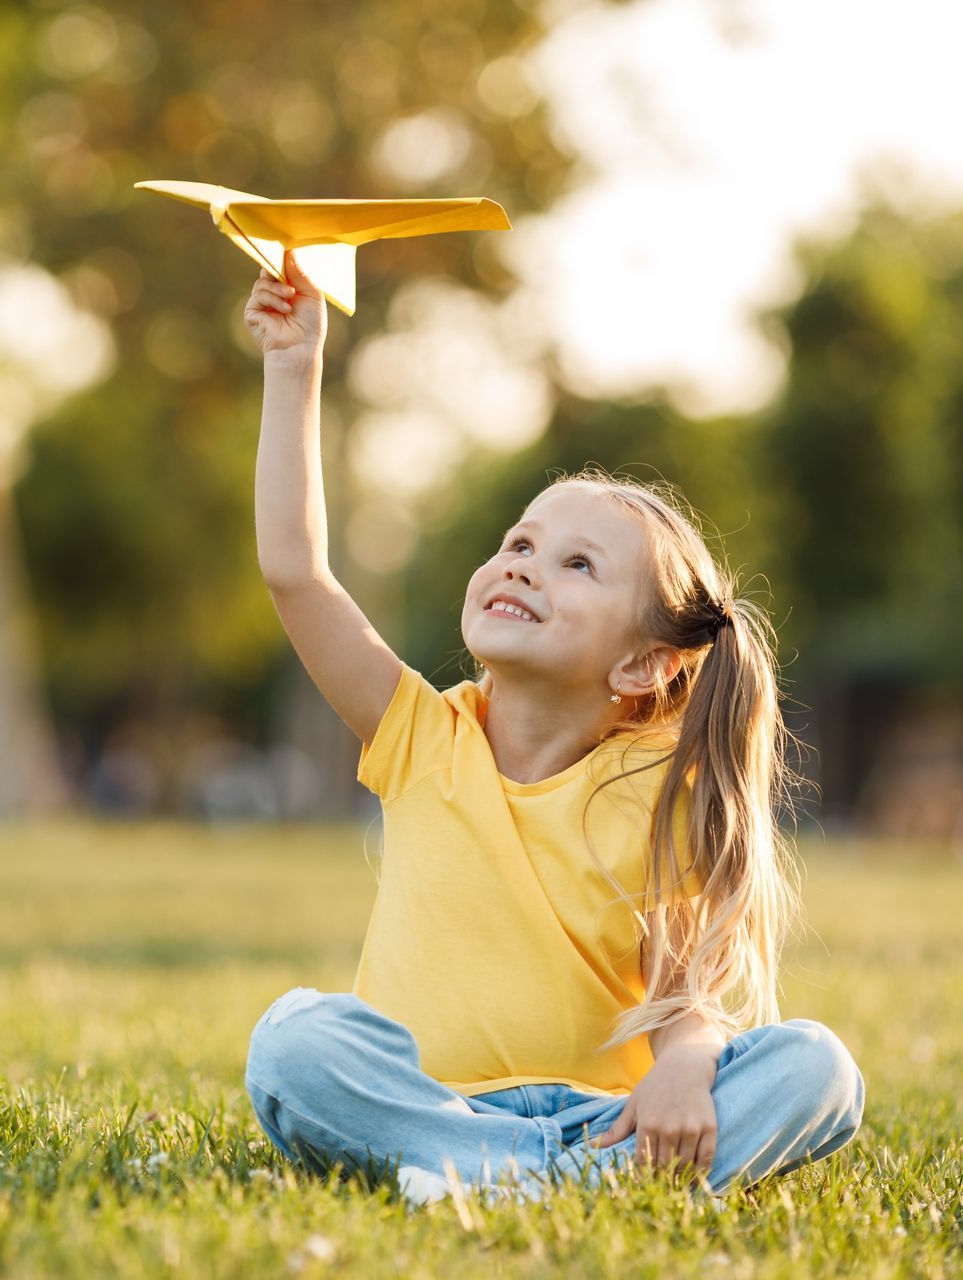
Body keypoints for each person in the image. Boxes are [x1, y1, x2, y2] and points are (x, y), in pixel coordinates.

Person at [238, 250, 864, 1207]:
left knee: (818, 1069)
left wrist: (688, 1068)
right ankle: (551, 1188)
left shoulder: (656, 790)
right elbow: (295, 571)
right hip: (427, 1105)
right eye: (520, 543)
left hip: (596, 1117)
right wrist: (296, 368)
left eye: (577, 565)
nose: (523, 565)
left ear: (643, 665)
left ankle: (507, 1183)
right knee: (293, 1043)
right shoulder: (418, 734)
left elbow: (681, 999)